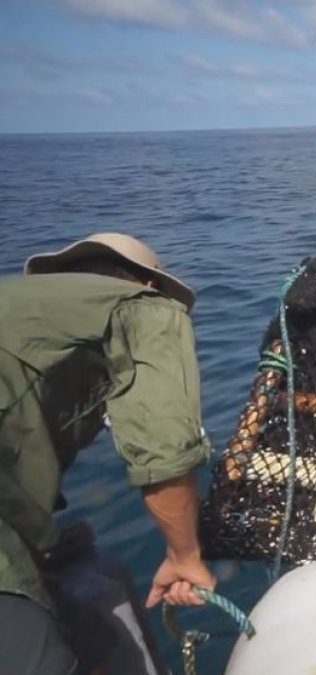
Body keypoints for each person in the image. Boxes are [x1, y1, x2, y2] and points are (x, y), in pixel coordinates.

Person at [1, 233, 217, 674]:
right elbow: (163, 447)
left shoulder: (21, 308)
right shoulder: (138, 308)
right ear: (149, 285)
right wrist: (184, 557)